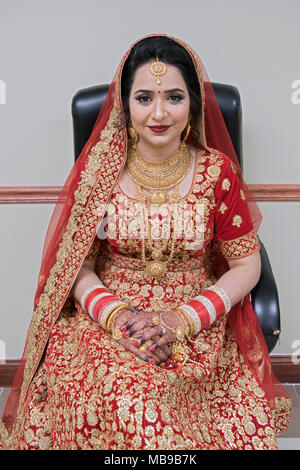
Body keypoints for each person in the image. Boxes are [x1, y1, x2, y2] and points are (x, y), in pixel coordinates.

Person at [0, 34, 291, 450]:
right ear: (125, 104)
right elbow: (76, 267)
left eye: (173, 97)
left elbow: (247, 265)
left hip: (195, 319)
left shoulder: (217, 172)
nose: (158, 113)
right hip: (108, 318)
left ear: (192, 104)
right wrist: (117, 317)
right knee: (122, 396)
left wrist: (182, 320)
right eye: (144, 98)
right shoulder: (99, 172)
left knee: (169, 408)